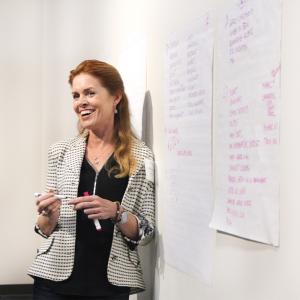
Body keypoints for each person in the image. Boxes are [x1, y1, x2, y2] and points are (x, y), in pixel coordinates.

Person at [28, 60, 155, 300]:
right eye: (76, 95)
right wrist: (49, 215)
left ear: (115, 97)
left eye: (90, 93)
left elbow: (147, 231)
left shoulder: (141, 156)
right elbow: (44, 230)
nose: (81, 102)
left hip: (110, 286)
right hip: (53, 283)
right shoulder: (60, 151)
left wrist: (116, 212)